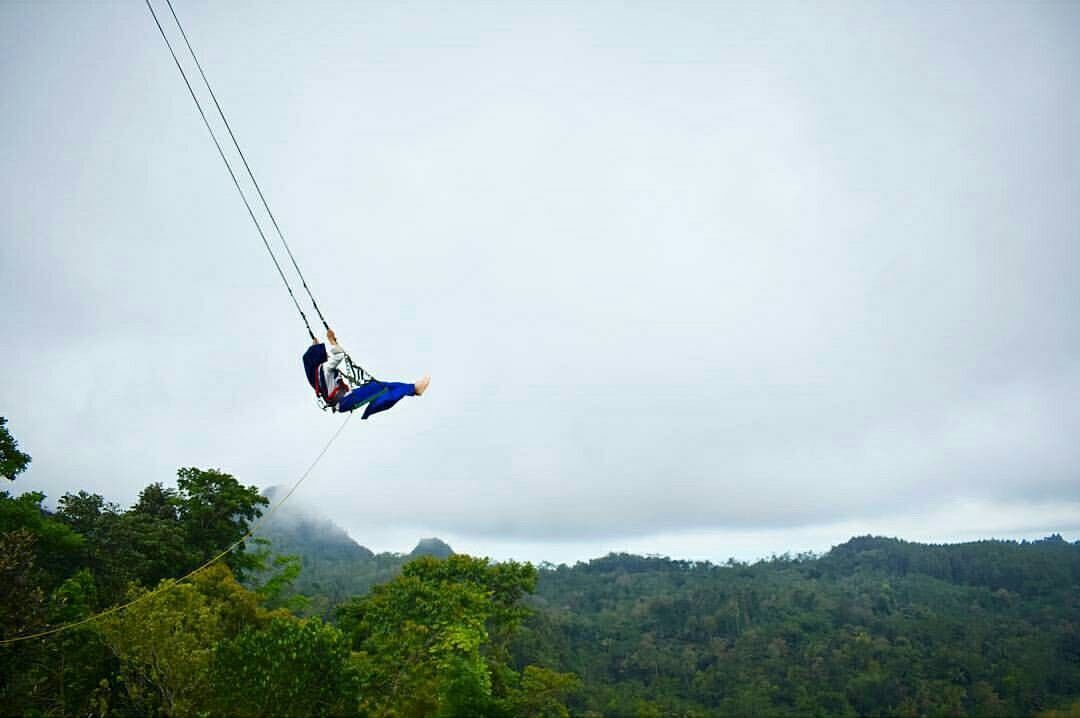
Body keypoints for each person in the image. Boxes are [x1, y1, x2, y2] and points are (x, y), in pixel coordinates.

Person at [302, 329, 429, 419]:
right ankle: (414, 389)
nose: (328, 355)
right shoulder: (324, 368)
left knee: (380, 386)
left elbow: (312, 363)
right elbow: (340, 354)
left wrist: (315, 346)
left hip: (345, 400)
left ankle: (414, 388)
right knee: (377, 387)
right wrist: (332, 341)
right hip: (345, 400)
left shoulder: (317, 374)